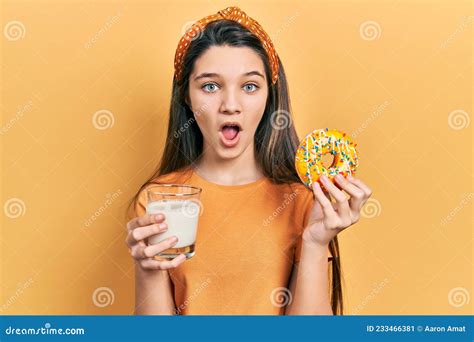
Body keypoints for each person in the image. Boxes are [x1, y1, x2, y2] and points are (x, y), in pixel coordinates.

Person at [125, 6, 372, 315]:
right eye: (210, 86)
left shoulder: (304, 201)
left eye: (250, 86)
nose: (231, 105)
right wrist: (146, 268)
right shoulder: (159, 200)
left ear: (269, 95)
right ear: (187, 96)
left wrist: (315, 243)